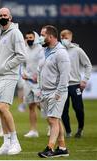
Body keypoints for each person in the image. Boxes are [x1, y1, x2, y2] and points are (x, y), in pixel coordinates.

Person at [0, 7, 26, 155]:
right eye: (0, 15)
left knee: (3, 107)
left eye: (5, 15)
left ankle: (16, 143)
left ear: (10, 17)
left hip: (9, 75)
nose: (3, 17)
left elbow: (21, 55)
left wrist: (5, 67)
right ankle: (5, 143)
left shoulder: (16, 33)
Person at [37, 25, 70, 158]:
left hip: (56, 92)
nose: (40, 37)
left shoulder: (61, 53)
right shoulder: (44, 50)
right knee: (55, 120)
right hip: (45, 92)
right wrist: (40, 89)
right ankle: (62, 148)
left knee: (52, 119)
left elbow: (65, 75)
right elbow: (42, 71)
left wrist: (58, 93)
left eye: (42, 35)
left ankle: (49, 148)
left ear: (50, 37)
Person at [60, 29, 92, 138]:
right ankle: (68, 132)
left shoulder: (77, 50)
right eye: (62, 38)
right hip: (63, 85)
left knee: (78, 108)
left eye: (66, 38)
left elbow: (88, 64)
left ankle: (80, 128)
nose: (64, 40)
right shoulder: (58, 50)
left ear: (71, 38)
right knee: (63, 110)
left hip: (75, 84)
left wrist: (85, 79)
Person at [21, 31, 45, 137]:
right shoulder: (24, 49)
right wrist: (23, 74)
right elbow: (22, 64)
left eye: (30, 37)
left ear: (35, 38)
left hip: (37, 83)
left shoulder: (40, 49)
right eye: (27, 37)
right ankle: (33, 130)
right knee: (31, 106)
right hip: (27, 82)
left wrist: (38, 76)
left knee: (41, 105)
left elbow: (43, 64)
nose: (28, 39)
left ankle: (51, 126)